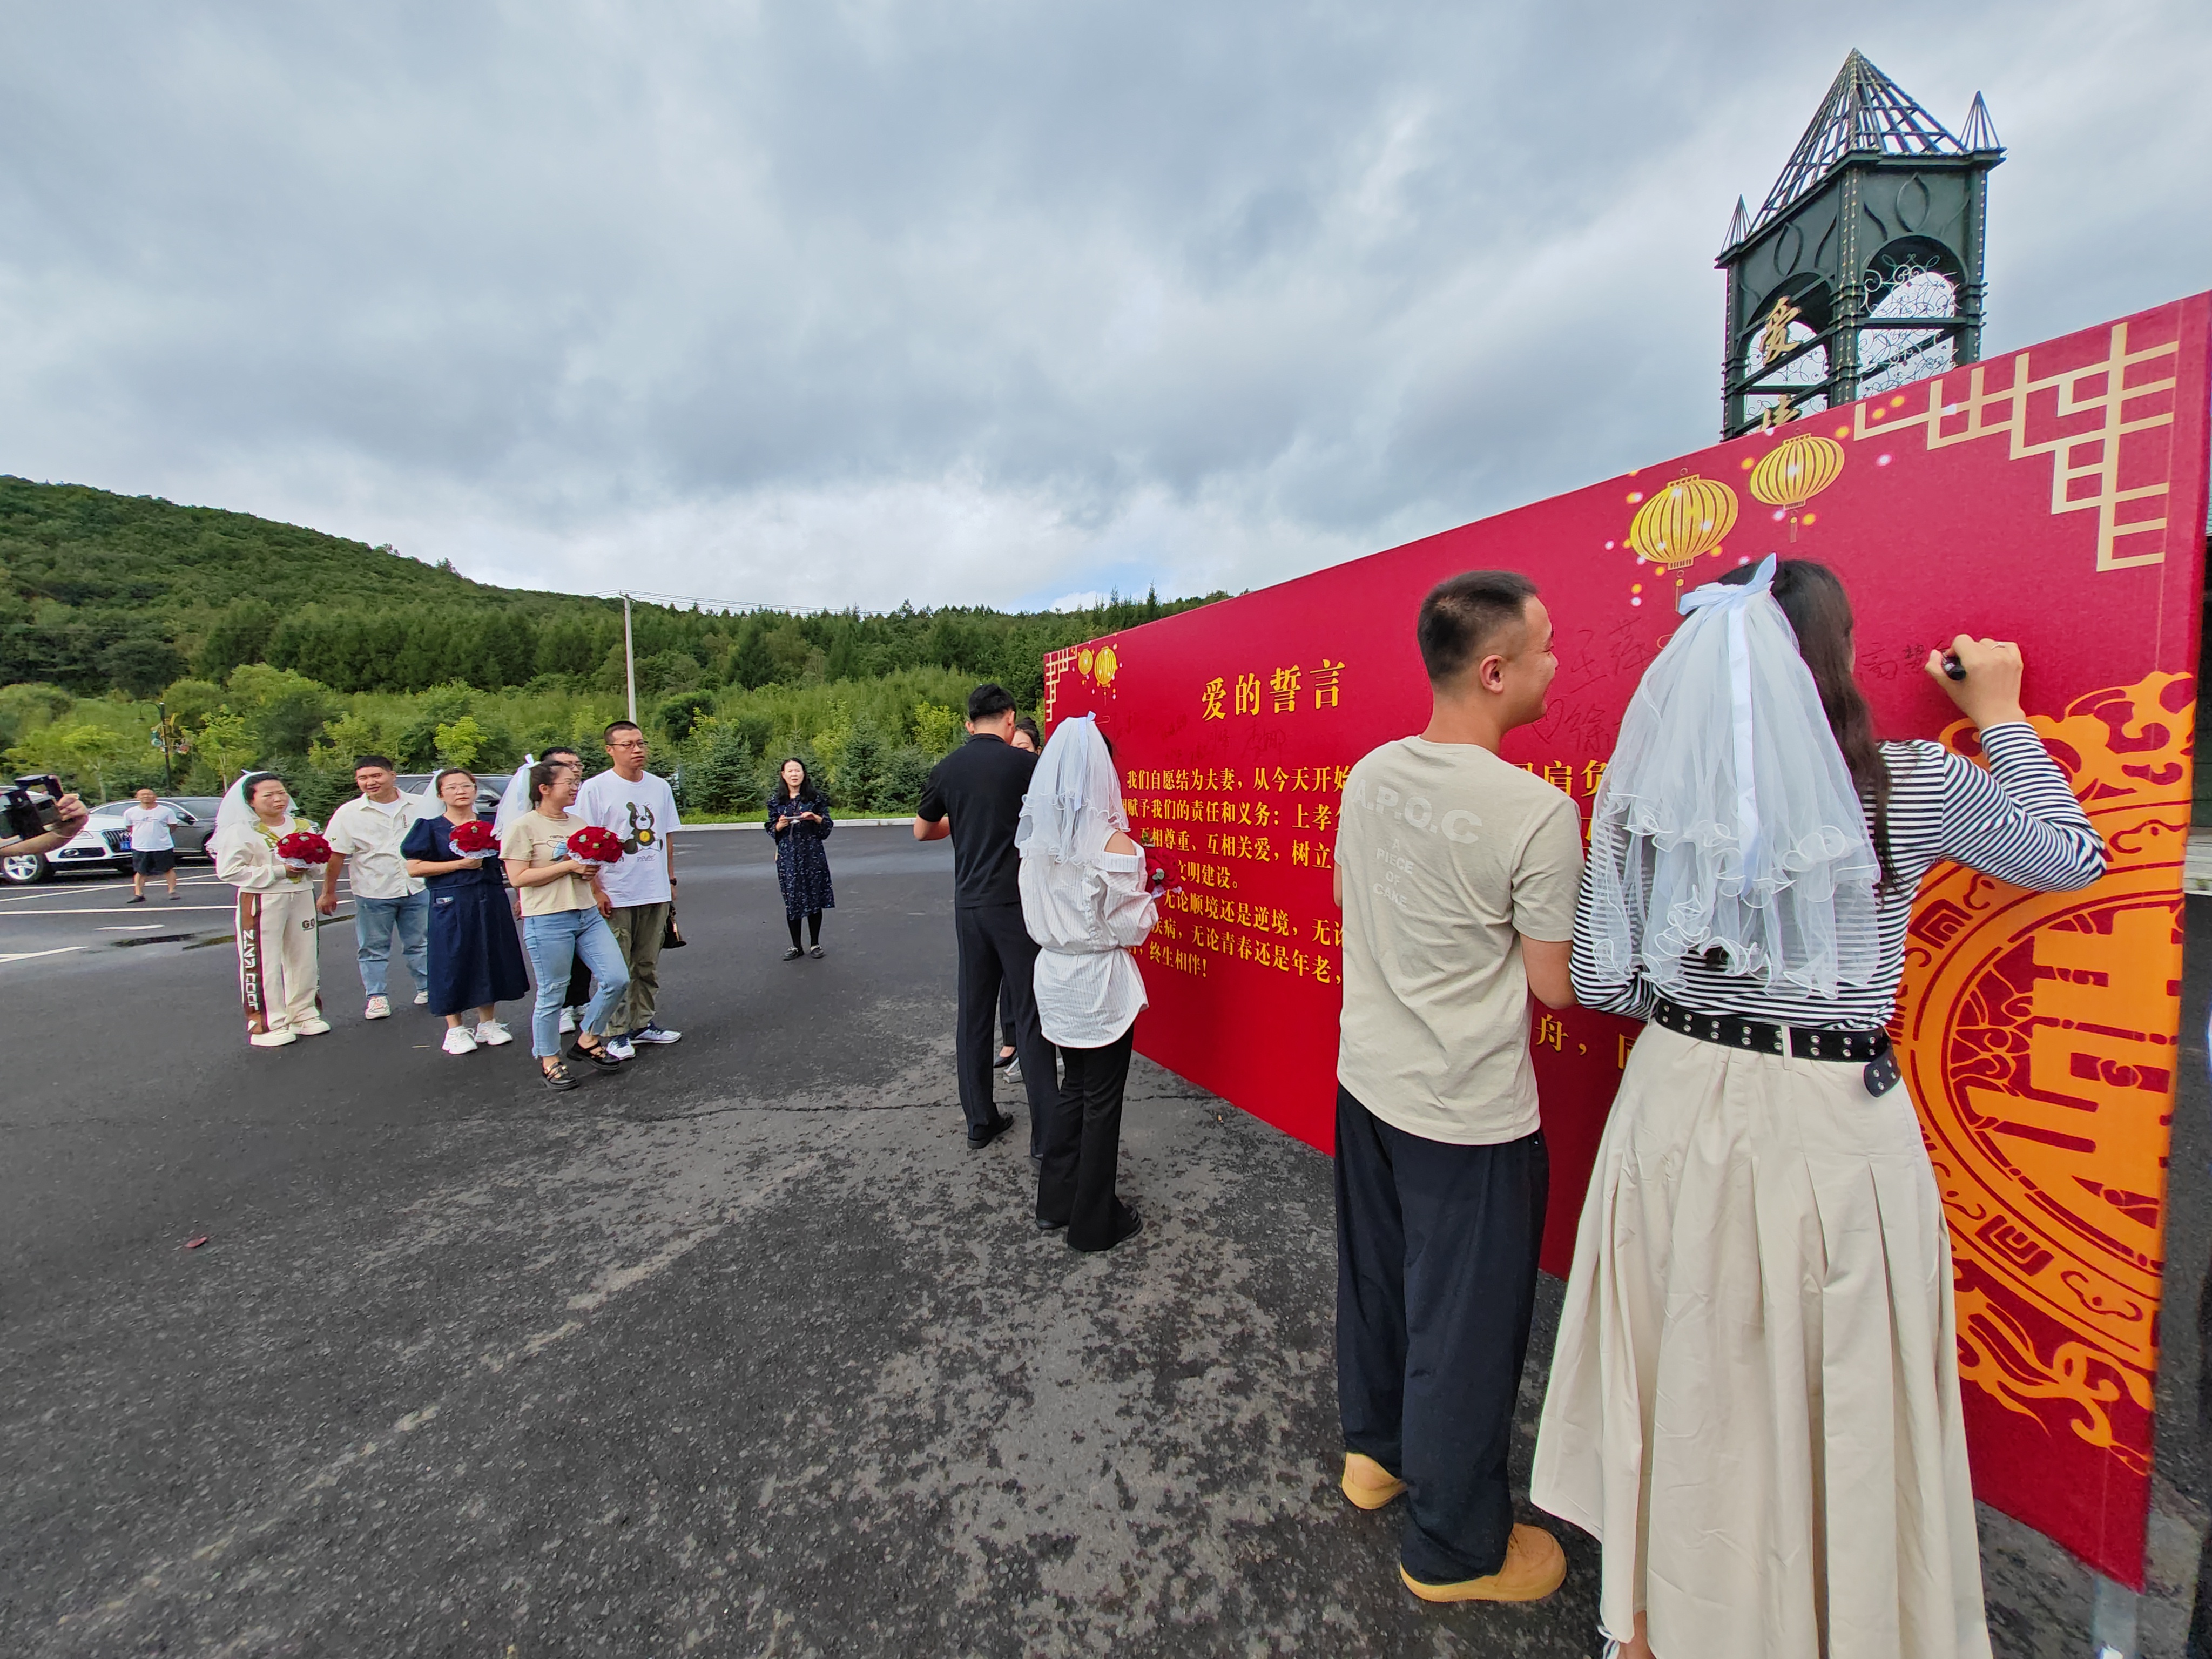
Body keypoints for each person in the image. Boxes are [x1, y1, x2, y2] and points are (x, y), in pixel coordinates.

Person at [1531, 558, 2106, 1659]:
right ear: (1832, 657)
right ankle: (1818, 1622)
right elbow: (2070, 859)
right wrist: (1999, 717)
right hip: (1832, 1117)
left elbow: (1600, 982)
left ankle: (1647, 1620)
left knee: (1683, 1363)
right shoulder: (1906, 787)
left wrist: (1701, 982)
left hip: (1674, 1102)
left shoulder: (1638, 809)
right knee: (1821, 1384)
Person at [1331, 570, 1581, 1606]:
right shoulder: (1536, 813)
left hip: (1367, 1083)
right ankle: (1453, 1545)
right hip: (1468, 1114)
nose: (1556, 663)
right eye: (1545, 647)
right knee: (1466, 1332)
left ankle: (1374, 1455)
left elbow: (1357, 903)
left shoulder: (1370, 773)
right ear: (1494, 670)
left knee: (1381, 1286)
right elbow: (1557, 988)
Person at [1017, 716, 1157, 1251]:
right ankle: (1095, 1221)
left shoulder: (1036, 844)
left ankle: (1054, 1202)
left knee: (1072, 1088)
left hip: (1053, 975)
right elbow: (1129, 927)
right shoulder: (1114, 845)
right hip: (1098, 984)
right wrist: (1152, 903)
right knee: (1101, 1100)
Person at [913, 684, 1057, 1155]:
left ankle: (980, 1121)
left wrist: (965, 816)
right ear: (1010, 718)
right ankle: (1046, 1137)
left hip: (969, 906)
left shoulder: (948, 768)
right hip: (1017, 905)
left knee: (974, 1014)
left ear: (969, 723)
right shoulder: (1027, 765)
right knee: (1031, 1016)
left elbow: (922, 830)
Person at [501, 759, 629, 1091]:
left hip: (585, 913)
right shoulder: (524, 827)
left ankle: (588, 1039)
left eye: (577, 782)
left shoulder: (578, 822)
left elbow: (587, 867)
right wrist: (570, 866)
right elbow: (519, 878)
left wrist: (589, 874)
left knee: (616, 978)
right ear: (544, 789)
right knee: (553, 993)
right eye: (568, 783)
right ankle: (549, 1059)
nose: (575, 788)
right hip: (548, 918)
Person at [574, 723, 683, 1060]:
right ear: (611, 749)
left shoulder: (660, 787)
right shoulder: (596, 789)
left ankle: (642, 1024)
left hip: (654, 890)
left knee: (647, 963)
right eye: (628, 744)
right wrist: (596, 889)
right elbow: (586, 842)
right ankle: (616, 1033)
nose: (637, 750)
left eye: (641, 743)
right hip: (616, 891)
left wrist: (670, 881)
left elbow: (666, 835)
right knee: (617, 968)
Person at [402, 767, 529, 1056]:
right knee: (452, 959)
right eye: (453, 787)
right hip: (451, 899)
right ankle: (455, 1028)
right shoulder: (430, 826)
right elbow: (414, 867)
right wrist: (459, 865)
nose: (461, 791)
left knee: (489, 954)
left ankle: (488, 1022)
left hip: (489, 895)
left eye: (467, 786)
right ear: (440, 794)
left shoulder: (491, 823)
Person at [212, 771, 332, 1049]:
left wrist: (310, 865)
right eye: (268, 795)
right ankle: (266, 1023)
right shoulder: (243, 831)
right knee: (263, 961)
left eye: (281, 792)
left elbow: (321, 863)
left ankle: (303, 1013)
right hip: (263, 899)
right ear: (251, 801)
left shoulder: (302, 825)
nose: (278, 799)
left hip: (301, 895)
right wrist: (279, 871)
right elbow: (230, 870)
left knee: (304, 958)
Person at [320, 755, 432, 1020]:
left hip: (416, 886)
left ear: (392, 775)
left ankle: (428, 987)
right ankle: (377, 997)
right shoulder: (348, 814)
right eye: (363, 778)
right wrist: (328, 891)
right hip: (373, 889)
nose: (370, 782)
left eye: (376, 776)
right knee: (372, 947)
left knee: (421, 943)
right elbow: (335, 854)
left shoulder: (420, 805)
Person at [996, 717, 1043, 1076]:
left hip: (1035, 890)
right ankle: (1012, 1040)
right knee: (1007, 976)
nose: (1017, 755)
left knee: (1029, 973)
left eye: (1024, 749)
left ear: (1037, 753)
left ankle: (1035, 1047)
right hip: (1005, 890)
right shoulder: (997, 787)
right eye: (1013, 748)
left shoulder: (1045, 793)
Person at [767, 759, 834, 959]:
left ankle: (815, 943)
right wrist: (780, 825)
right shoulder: (777, 801)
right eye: (790, 771)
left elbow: (828, 825)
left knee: (814, 896)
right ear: (783, 775)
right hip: (788, 856)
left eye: (798, 770)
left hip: (812, 853)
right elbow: (772, 829)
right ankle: (796, 946)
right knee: (793, 898)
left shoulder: (814, 799)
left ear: (804, 774)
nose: (794, 774)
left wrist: (815, 817)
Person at [123, 787, 181, 902]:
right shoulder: (130, 812)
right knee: (141, 871)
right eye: (143, 795)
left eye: (149, 794)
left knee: (168, 869)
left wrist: (162, 835)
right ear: (137, 797)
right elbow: (129, 828)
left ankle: (172, 891)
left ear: (155, 797)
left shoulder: (166, 811)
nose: (146, 797)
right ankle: (139, 894)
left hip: (163, 846)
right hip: (140, 846)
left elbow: (173, 826)